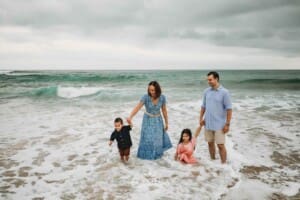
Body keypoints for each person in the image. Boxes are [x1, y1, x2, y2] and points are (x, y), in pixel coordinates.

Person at [127, 81, 172, 160]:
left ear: (157, 90)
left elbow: (164, 110)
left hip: (158, 120)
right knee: (148, 138)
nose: (151, 92)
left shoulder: (162, 97)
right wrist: (130, 117)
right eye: (150, 90)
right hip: (147, 120)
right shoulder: (145, 97)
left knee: (157, 139)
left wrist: (167, 123)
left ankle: (156, 157)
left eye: (153, 90)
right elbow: (138, 107)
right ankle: (146, 157)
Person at [200, 71, 232, 164]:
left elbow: (229, 109)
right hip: (208, 123)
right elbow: (203, 106)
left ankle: (224, 165)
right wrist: (201, 118)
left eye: (210, 80)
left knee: (221, 145)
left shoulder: (225, 92)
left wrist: (227, 124)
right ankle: (213, 162)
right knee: (210, 143)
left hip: (219, 124)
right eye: (208, 80)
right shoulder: (206, 91)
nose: (208, 82)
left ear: (216, 79)